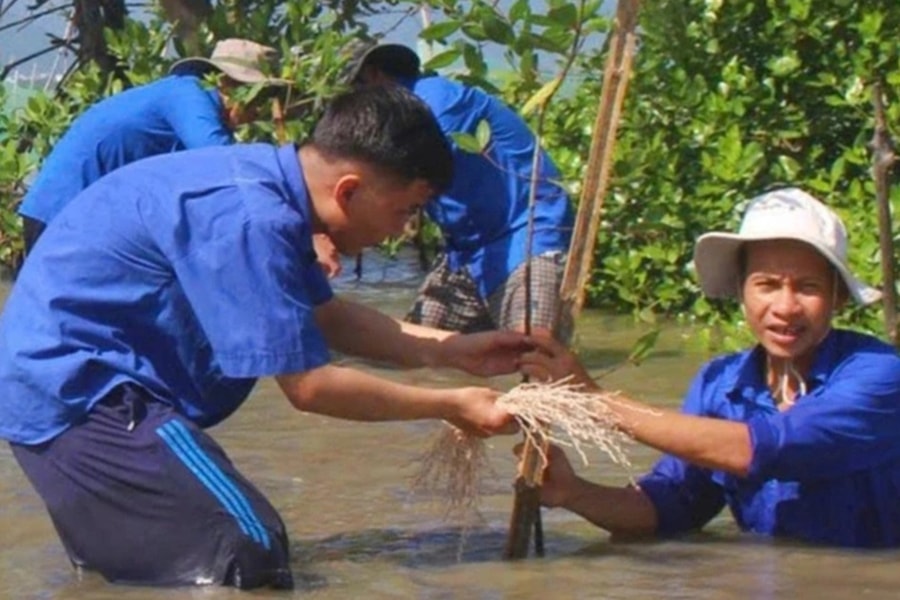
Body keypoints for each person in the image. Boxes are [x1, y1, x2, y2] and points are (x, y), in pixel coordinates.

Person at [0, 86, 527, 589]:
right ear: (349, 190)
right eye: (406, 210)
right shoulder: (253, 216)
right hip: (83, 393)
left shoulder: (266, 188)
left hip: (63, 390)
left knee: (146, 574)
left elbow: (326, 317)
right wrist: (452, 405)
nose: (404, 230)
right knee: (247, 549)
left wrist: (451, 350)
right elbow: (311, 388)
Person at [520, 187, 900, 548]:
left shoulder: (879, 374)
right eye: (767, 285)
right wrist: (574, 492)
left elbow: (772, 446)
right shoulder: (721, 383)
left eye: (808, 287)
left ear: (838, 298)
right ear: (741, 291)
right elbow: (672, 505)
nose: (786, 307)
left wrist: (597, 403)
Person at [15, 38, 341, 277]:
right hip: (61, 212)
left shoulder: (189, 105)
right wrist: (305, 233)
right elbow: (225, 165)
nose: (257, 112)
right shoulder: (189, 95)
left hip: (83, 216)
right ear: (228, 83)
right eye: (258, 98)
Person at [350, 43, 575, 339]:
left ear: (374, 75)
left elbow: (394, 176)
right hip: (467, 251)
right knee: (410, 352)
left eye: (357, 88)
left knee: (534, 350)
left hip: (528, 231)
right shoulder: (405, 116)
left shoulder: (437, 103)